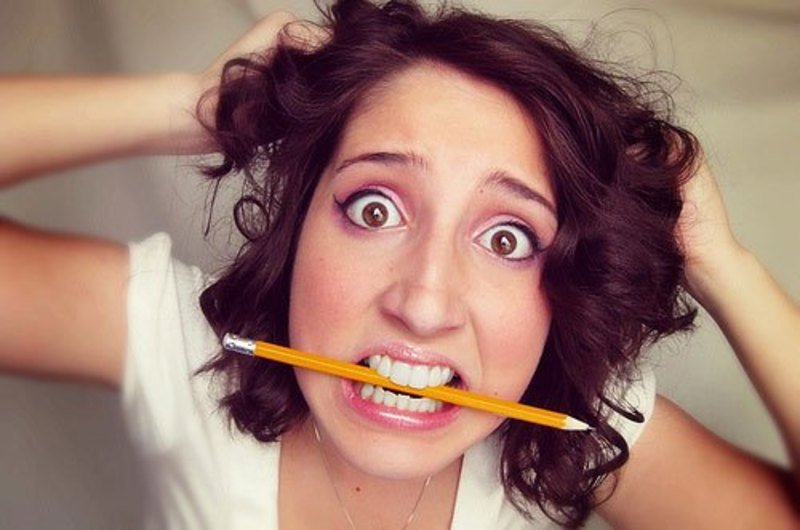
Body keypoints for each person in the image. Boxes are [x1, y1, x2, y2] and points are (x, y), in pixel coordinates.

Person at [0, 0, 798, 528]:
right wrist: (199, 107)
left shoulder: (580, 422)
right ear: (298, 223)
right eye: (375, 209)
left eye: (508, 239)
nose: (423, 303)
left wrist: (724, 266)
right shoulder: (180, 341)